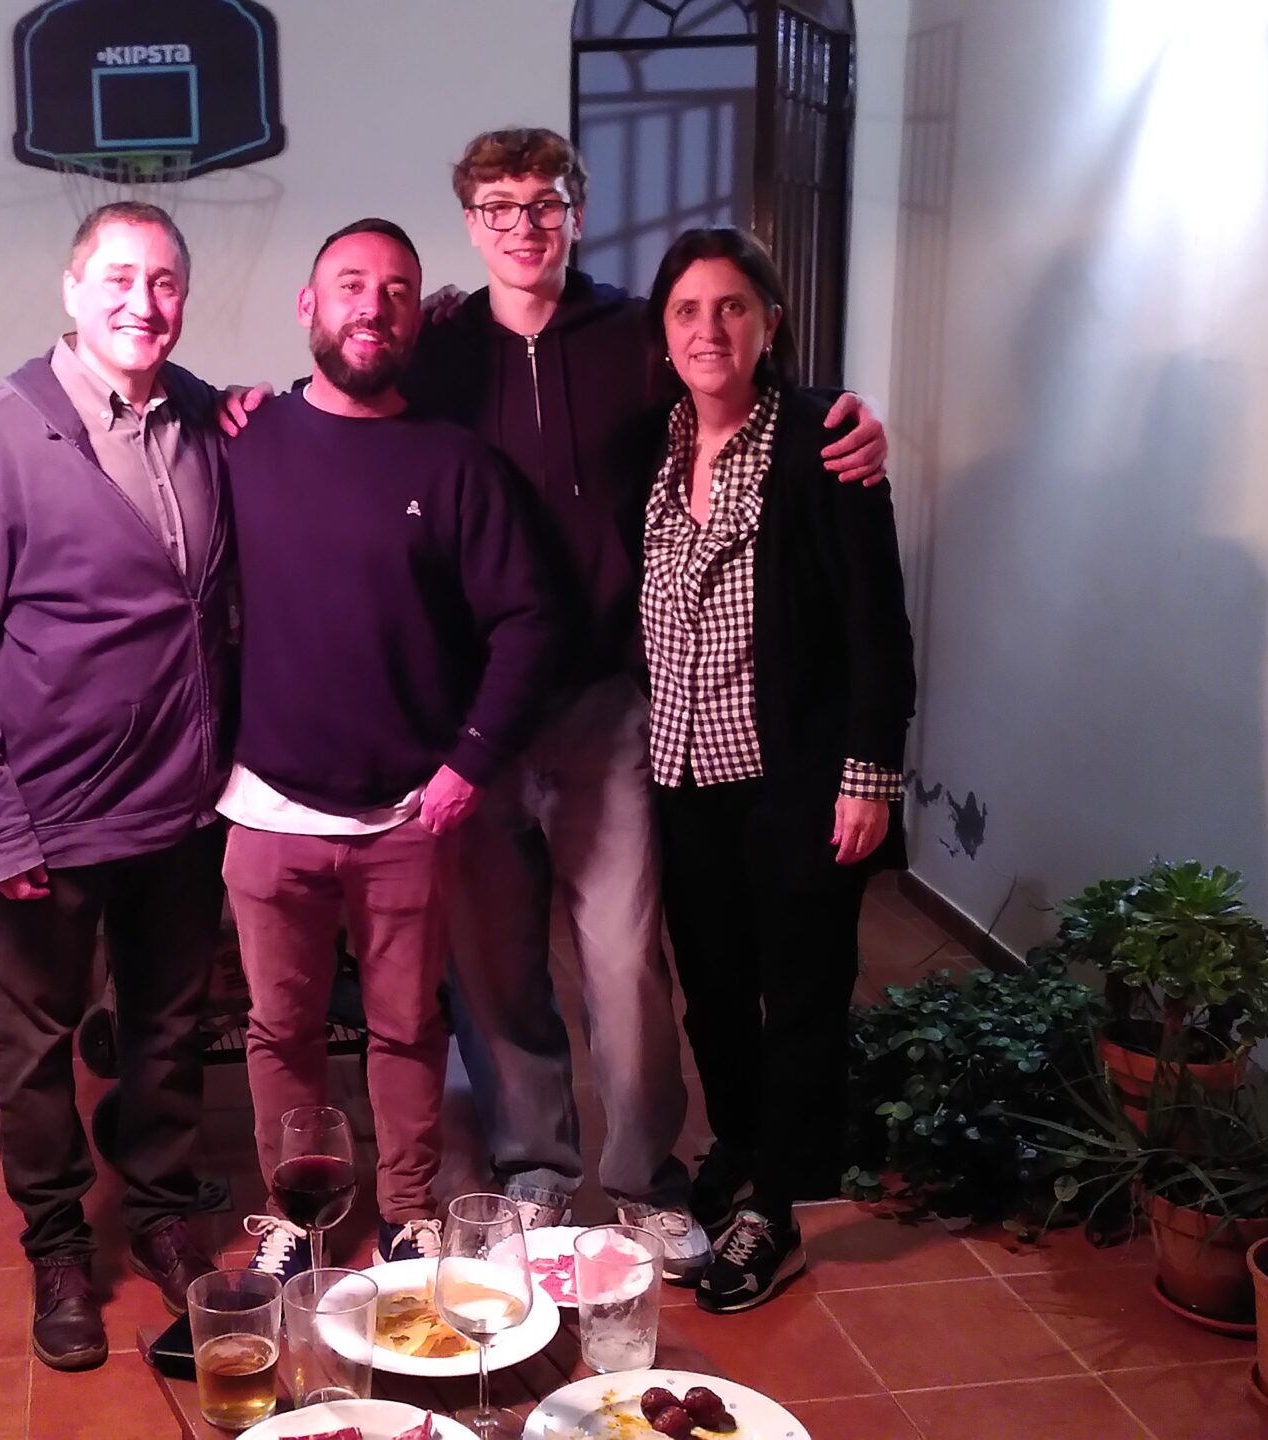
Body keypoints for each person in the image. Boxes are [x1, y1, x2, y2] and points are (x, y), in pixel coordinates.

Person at [402, 128, 890, 1279]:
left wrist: (846, 417)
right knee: (496, 966)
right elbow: (339, 398)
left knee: (624, 963)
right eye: (500, 206)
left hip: (608, 703)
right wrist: (242, 407)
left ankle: (643, 1178)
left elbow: (749, 395)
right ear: (470, 224)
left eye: (545, 202)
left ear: (575, 213)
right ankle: (533, 1167)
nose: (525, 225)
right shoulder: (435, 352)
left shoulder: (636, 333)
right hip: (476, 716)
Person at [0, 202, 227, 1372]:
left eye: (165, 281)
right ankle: (55, 1246)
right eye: (120, 277)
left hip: (180, 808)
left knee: (168, 1031)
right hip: (46, 819)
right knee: (36, 1047)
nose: (144, 301)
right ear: (72, 288)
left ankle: (161, 1213)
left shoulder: (206, 419)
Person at [219, 219, 555, 1281]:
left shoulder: (455, 463)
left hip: (410, 811)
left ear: (416, 318)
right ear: (309, 308)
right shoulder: (241, 441)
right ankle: (297, 1214)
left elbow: (527, 623)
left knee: (408, 1026)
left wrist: (467, 765)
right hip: (267, 806)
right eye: (351, 285)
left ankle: (408, 1209)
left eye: (398, 290)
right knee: (280, 1030)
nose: (374, 305)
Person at [638, 227, 916, 1312]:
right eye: (687, 311)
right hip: (681, 779)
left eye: (732, 307)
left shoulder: (821, 441)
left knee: (799, 997)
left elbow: (876, 626)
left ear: (770, 323)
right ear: (664, 333)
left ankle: (779, 1207)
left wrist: (868, 775)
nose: (708, 329)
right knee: (712, 996)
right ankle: (741, 1144)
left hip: (793, 778)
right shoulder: (653, 446)